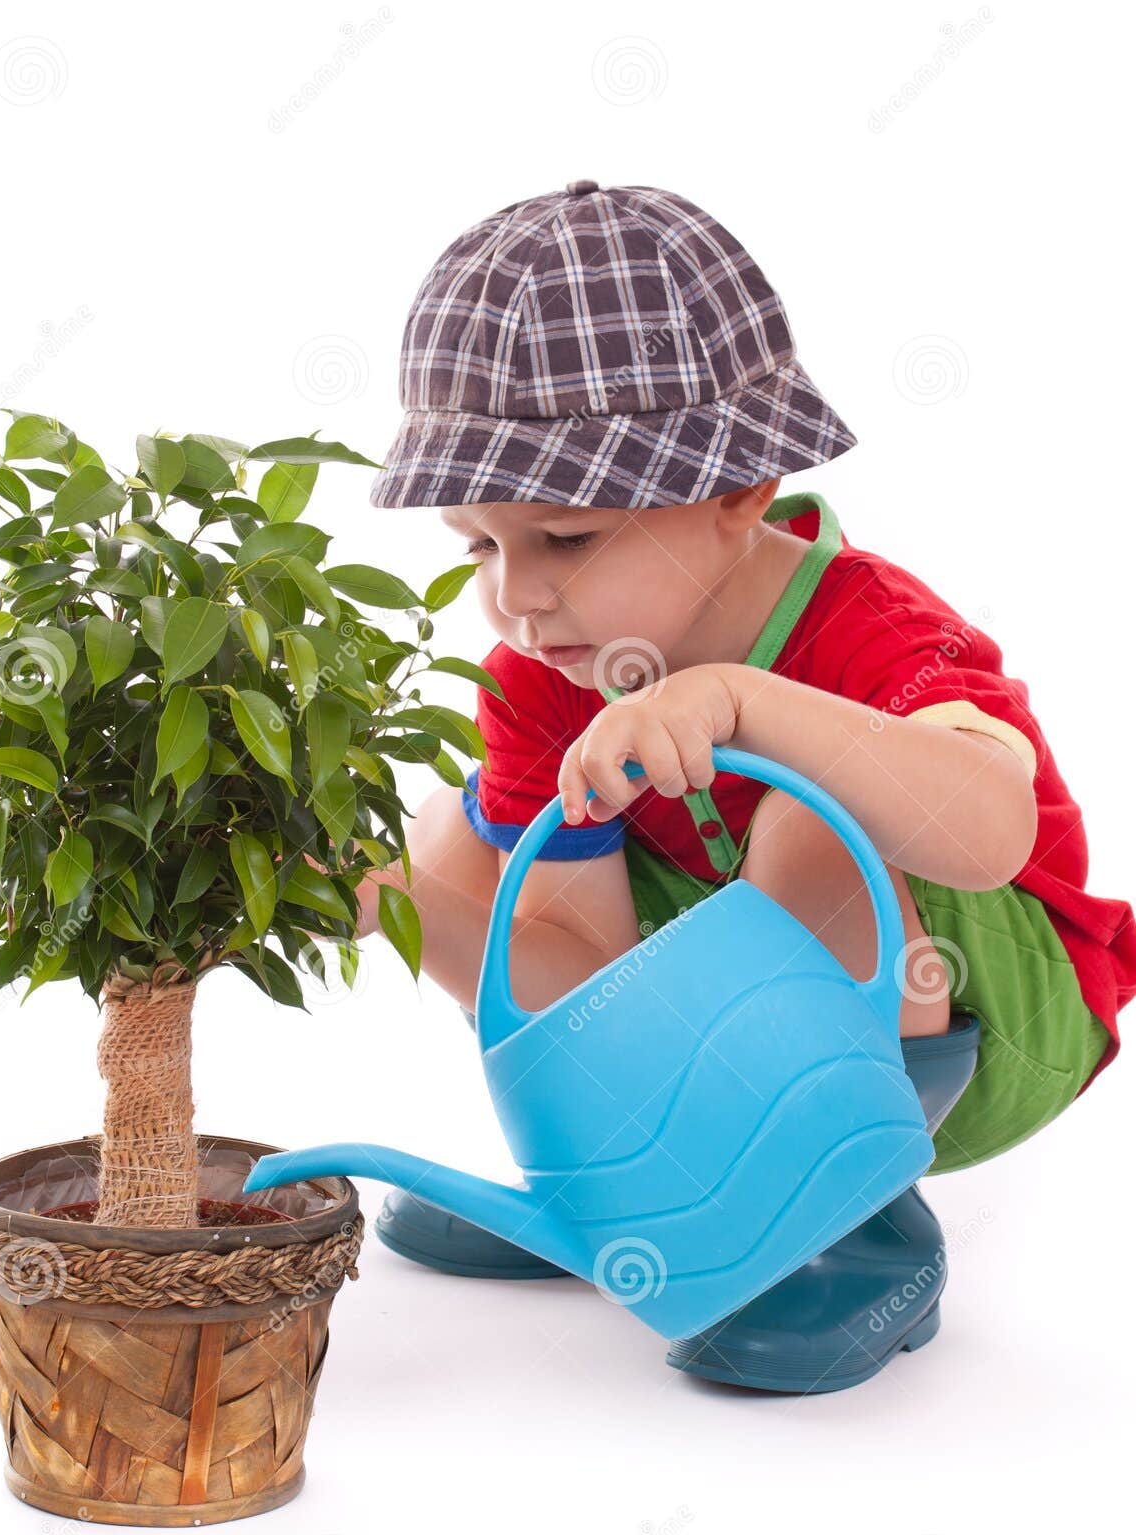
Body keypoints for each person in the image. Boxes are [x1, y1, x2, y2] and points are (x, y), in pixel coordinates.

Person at [350, 180, 1136, 1391]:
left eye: (564, 538)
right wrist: (387, 900)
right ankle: (639, 1187)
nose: (516, 595)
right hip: (746, 1018)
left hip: (986, 1022)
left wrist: (745, 702)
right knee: (462, 833)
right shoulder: (537, 677)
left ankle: (849, 1227)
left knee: (801, 826)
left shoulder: (869, 630)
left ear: (738, 494)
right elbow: (584, 975)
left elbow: (987, 830)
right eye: (479, 545)